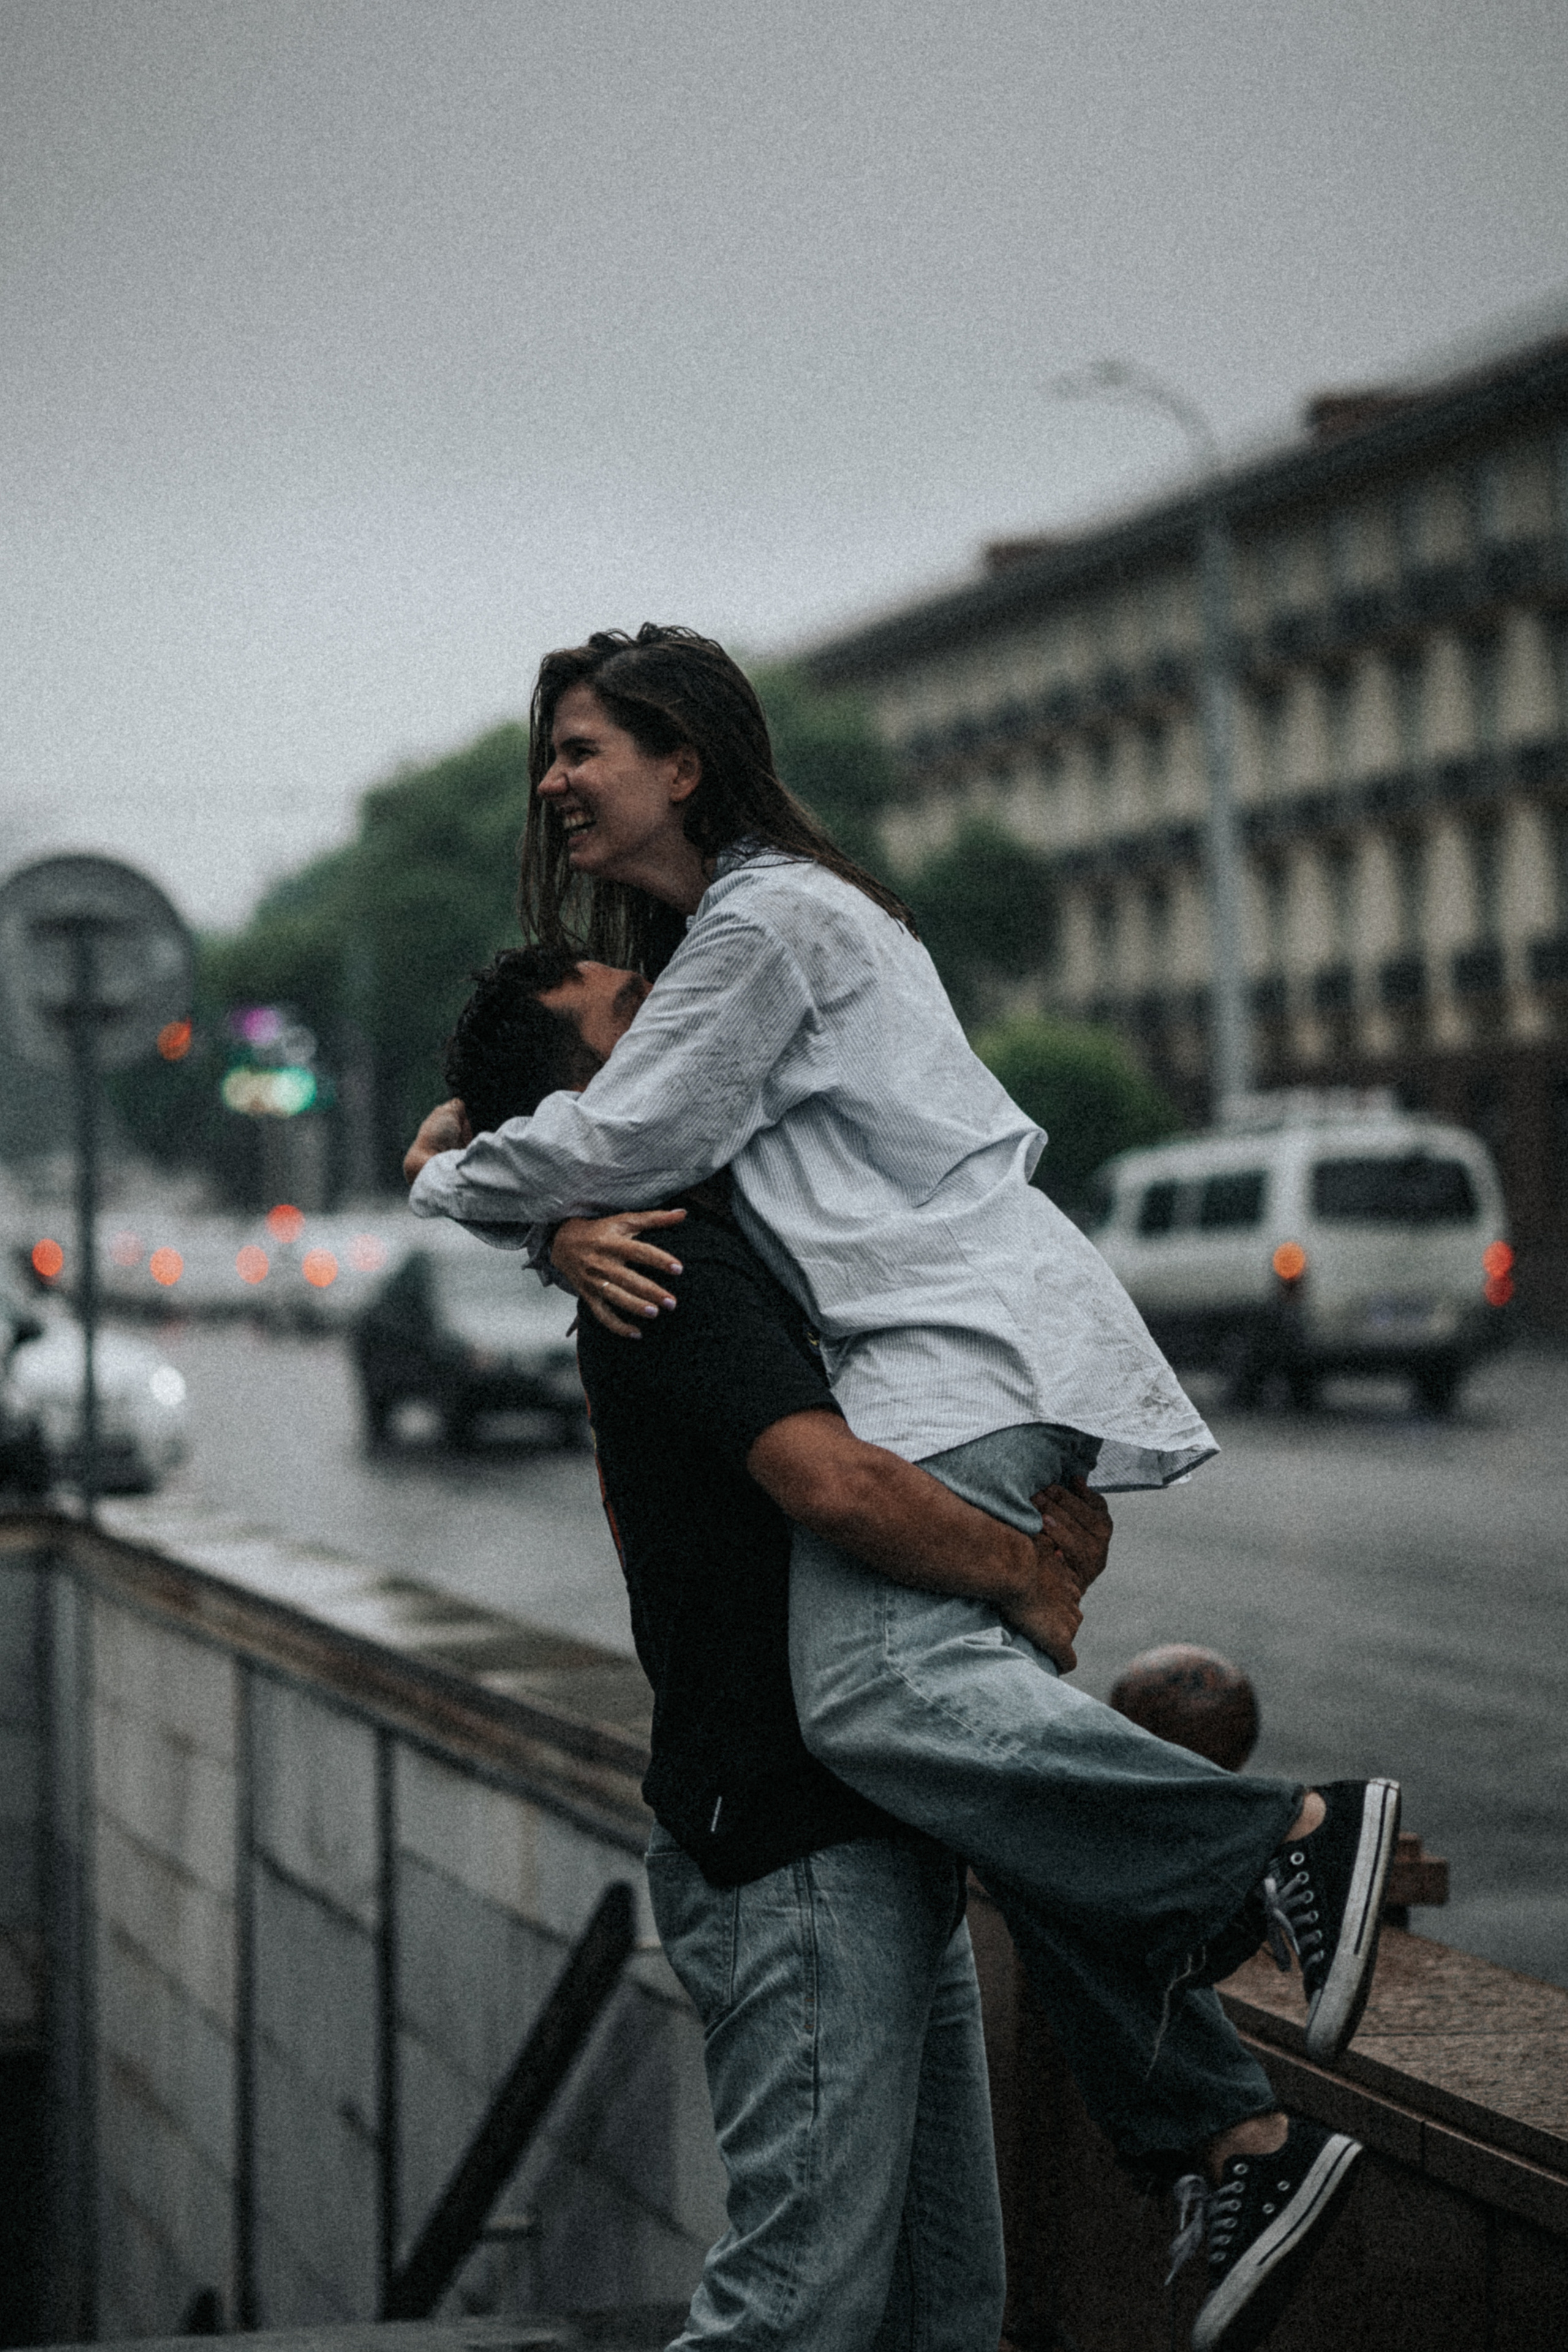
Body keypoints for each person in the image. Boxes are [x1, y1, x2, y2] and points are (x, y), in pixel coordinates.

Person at [410, 628, 1400, 2346]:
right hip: (857, 1613)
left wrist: (500, 1195)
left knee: (883, 1697)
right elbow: (528, 1125)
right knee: (982, 1783)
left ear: (687, 761)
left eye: (583, 748)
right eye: (546, 753)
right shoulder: (677, 1223)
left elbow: (591, 1137)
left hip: (957, 1356)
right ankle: (1219, 2116)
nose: (554, 783)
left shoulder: (764, 936)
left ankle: (1274, 1850)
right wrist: (1020, 1571)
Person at [444, 948, 1116, 2352]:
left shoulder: (694, 1211)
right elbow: (836, 1485)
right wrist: (1023, 1576)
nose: (693, 1024)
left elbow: (451, 1137)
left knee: (943, 2314)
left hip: (862, 1837)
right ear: (590, 1101)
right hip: (793, 1854)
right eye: (641, 1016)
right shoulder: (666, 1259)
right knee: (791, 2314)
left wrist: (534, 1215)